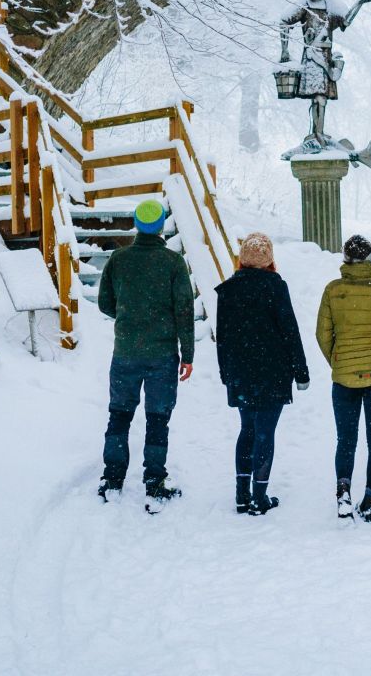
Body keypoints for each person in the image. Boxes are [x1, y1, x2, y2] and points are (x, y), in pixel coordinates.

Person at [96, 199, 195, 510]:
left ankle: (112, 479)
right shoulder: (173, 263)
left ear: (137, 225)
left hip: (125, 351)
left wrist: (128, 315)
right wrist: (188, 353)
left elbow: (104, 304)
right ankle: (154, 482)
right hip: (162, 355)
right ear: (161, 227)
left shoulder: (119, 260)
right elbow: (184, 311)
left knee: (119, 415)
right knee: (157, 419)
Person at [215, 232, 311, 516]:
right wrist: (301, 371)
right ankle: (260, 496)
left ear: (242, 259)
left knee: (247, 429)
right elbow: (289, 330)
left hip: (241, 372)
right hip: (273, 371)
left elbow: (223, 337)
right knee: (265, 432)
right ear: (269, 260)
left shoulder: (228, 290)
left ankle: (242, 495)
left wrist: (226, 372)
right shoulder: (275, 286)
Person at [315, 234, 371, 522]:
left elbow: (322, 334)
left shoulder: (333, 290)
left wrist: (339, 361)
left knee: (346, 438)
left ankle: (343, 492)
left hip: (344, 379)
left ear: (345, 258)